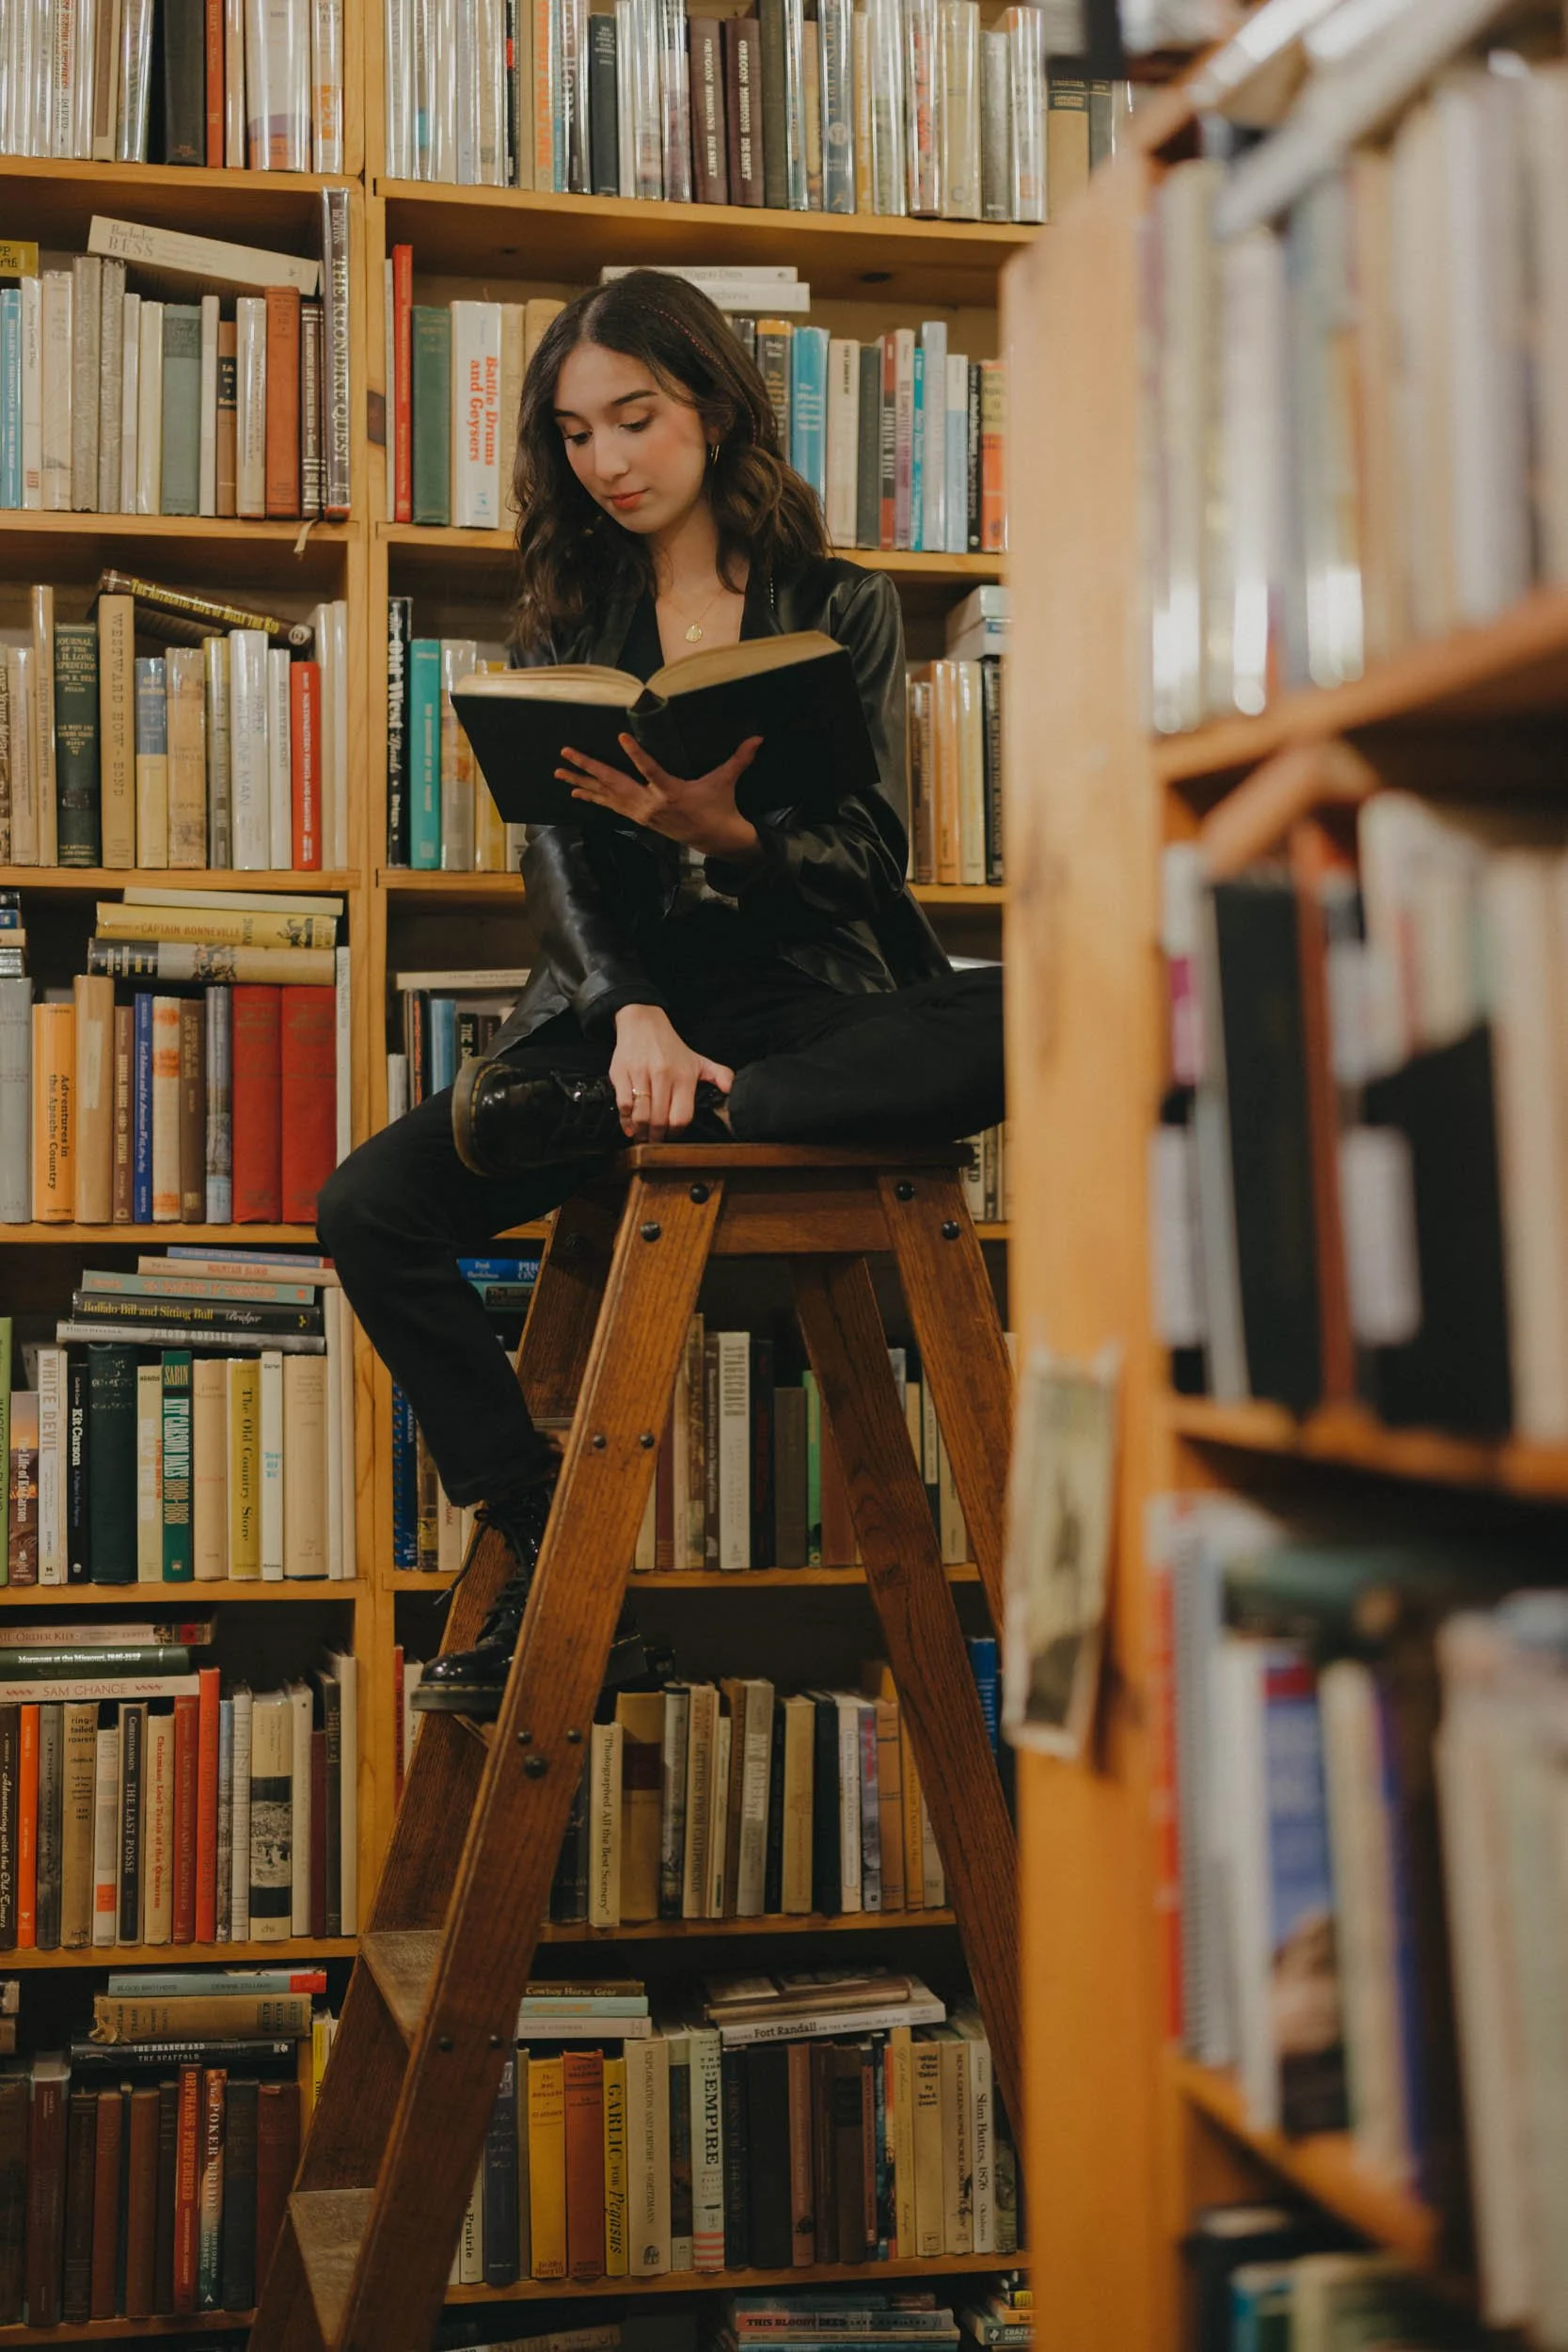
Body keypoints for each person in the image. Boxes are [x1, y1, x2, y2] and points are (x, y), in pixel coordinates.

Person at [318, 268, 1005, 1714]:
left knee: (1032, 1016)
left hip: (807, 1001)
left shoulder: (838, 602)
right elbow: (558, 861)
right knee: (365, 1208)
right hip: (620, 1028)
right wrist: (630, 1012)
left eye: (632, 418)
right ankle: (542, 1529)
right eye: (574, 433)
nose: (607, 461)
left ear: (709, 406)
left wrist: (731, 836)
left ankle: (724, 1107)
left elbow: (875, 853)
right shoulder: (568, 619)